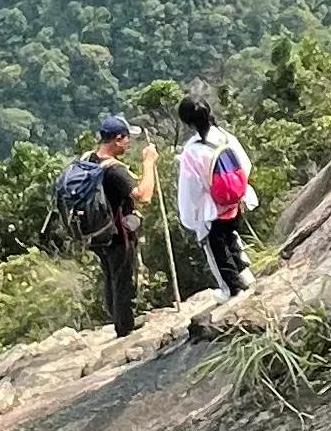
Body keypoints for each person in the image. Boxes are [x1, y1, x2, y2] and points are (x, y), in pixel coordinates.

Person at [174, 92, 255, 301]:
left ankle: (232, 289)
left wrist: (192, 216)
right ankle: (246, 275)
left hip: (213, 209)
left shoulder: (192, 151)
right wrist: (238, 192)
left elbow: (191, 188)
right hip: (234, 202)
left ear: (188, 123)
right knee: (232, 239)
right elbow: (244, 165)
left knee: (217, 250)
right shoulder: (225, 136)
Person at [84, 111, 157, 336]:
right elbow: (144, 196)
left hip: (97, 232)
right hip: (117, 233)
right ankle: (125, 327)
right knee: (123, 277)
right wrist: (149, 163)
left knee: (111, 275)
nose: (128, 144)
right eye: (126, 139)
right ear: (117, 139)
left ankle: (118, 318)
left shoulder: (88, 159)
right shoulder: (115, 170)